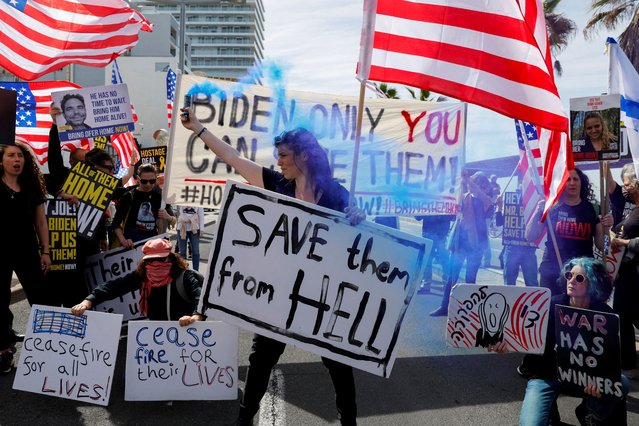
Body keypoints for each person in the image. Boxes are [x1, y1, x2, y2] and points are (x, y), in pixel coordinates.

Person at [180, 107, 365, 426]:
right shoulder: (277, 184)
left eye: (283, 155)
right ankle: (244, 419)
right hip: (279, 292)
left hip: (320, 293)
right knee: (261, 358)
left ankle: (349, 421)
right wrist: (198, 128)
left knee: (337, 362)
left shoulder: (337, 194)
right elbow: (233, 158)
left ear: (303, 156)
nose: (278, 161)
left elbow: (359, 241)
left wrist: (359, 219)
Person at [488, 257, 628, 425]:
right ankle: (549, 412)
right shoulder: (549, 305)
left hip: (584, 378)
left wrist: (599, 382)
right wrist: (506, 345)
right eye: (569, 275)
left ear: (593, 282)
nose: (571, 281)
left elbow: (609, 357)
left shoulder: (604, 314)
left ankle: (591, 413)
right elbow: (525, 336)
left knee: (622, 383)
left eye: (579, 278)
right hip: (546, 375)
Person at [0, 141, 51, 374]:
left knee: (40, 296)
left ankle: (49, 347)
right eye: (11, 155)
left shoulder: (32, 188)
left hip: (27, 251)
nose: (17, 159)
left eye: (20, 155)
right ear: (1, 161)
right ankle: (4, 348)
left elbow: (41, 222)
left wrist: (46, 251)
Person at [71, 238, 205, 325]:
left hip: (185, 335)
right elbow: (113, 287)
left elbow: (200, 300)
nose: (156, 263)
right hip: (157, 337)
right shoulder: (142, 275)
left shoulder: (185, 277)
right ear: (145, 260)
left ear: (170, 258)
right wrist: (88, 301)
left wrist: (194, 318)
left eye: (161, 259)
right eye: (151, 260)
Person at [526, 168, 611, 296]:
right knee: (551, 311)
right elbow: (530, 236)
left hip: (582, 274)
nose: (572, 183)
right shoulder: (551, 208)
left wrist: (607, 229)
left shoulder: (594, 209)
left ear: (581, 183)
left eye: (575, 179)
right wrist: (538, 211)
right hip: (552, 272)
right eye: (567, 180)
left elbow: (603, 247)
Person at [431, 171, 493, 316]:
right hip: (460, 242)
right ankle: (444, 306)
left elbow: (479, 194)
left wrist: (467, 179)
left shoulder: (486, 200)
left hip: (476, 245)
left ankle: (469, 311)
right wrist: (461, 184)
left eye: (480, 185)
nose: (479, 187)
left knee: (470, 279)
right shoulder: (464, 197)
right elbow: (456, 208)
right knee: (452, 275)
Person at [609, 164, 639, 378]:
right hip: (624, 272)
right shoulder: (629, 203)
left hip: (637, 273)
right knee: (622, 316)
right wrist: (604, 156)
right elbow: (611, 185)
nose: (625, 187)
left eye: (628, 183)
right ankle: (628, 365)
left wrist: (622, 241)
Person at [112, 163, 175, 248]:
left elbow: (173, 220)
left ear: (156, 179)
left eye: (152, 181)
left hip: (153, 245)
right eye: (144, 181)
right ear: (138, 179)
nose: (148, 184)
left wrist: (167, 216)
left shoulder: (159, 196)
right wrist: (123, 240)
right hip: (132, 245)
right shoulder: (129, 196)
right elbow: (116, 223)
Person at [415, 214, 453, 293]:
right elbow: (418, 217)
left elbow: (452, 216)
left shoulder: (447, 201)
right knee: (427, 259)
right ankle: (426, 284)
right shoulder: (426, 201)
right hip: (429, 233)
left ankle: (447, 285)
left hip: (441, 235)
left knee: (444, 260)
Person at [176, 205, 205, 271]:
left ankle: (196, 271)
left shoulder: (198, 201)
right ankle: (182, 271)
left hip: (194, 228)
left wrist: (202, 229)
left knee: (195, 251)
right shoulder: (181, 199)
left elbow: (201, 215)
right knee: (182, 252)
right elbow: (179, 211)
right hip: (182, 227)